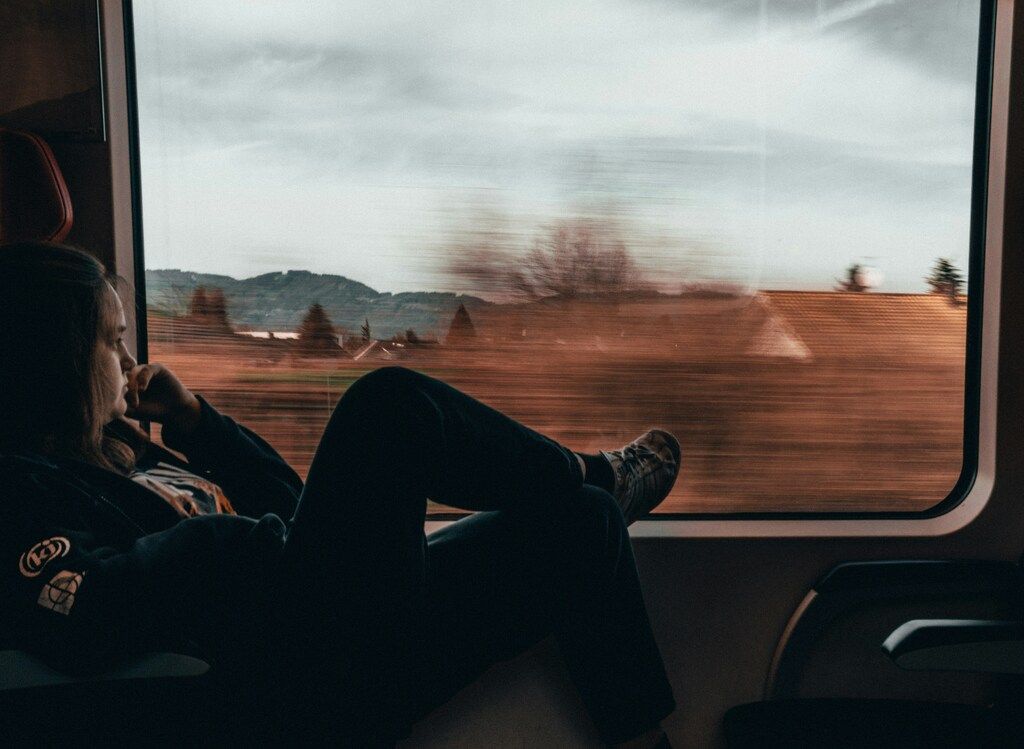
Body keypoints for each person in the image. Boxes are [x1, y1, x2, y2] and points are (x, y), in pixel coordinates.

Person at [0, 241, 680, 747]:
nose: (126, 363)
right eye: (111, 344)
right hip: (294, 682)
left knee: (581, 525)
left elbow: (291, 510)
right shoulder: (22, 491)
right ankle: (597, 470)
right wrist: (227, 544)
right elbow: (83, 610)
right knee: (386, 406)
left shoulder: (128, 449)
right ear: (57, 364)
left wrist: (200, 425)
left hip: (347, 628)